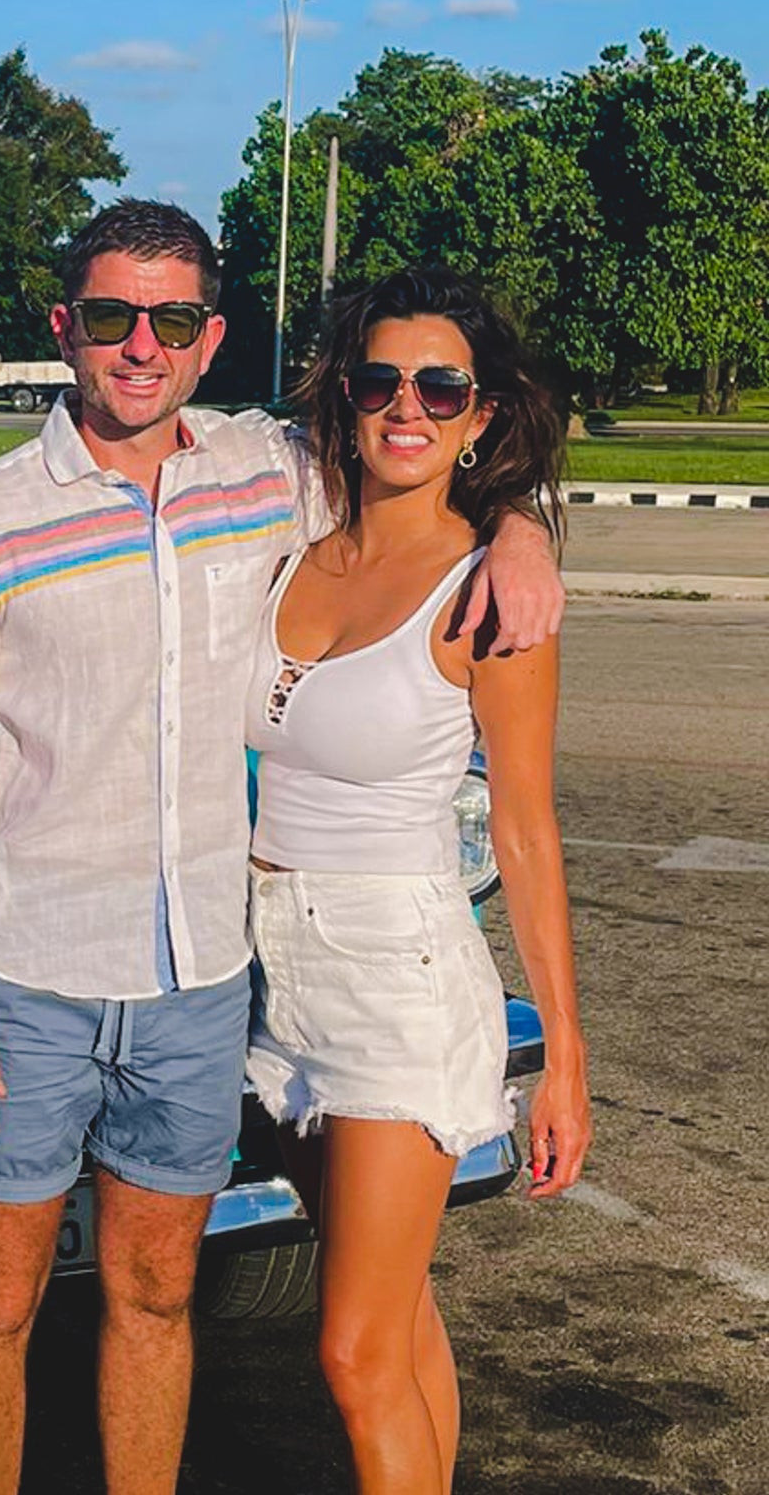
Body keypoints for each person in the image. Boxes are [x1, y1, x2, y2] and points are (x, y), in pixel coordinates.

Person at [0, 200, 562, 1495]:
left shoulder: (269, 473)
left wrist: (523, 525)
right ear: (65, 328)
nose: (141, 346)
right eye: (112, 316)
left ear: (210, 336)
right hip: (25, 974)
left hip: (200, 983)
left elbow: (426, 452)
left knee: (156, 1295)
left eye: (172, 319)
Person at [243, 267, 591, 1494]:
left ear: (480, 415)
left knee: (351, 1352)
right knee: (394, 1321)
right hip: (271, 971)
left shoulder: (489, 595)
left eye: (441, 388)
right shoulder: (289, 548)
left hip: (399, 974)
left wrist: (563, 1055)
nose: (408, 407)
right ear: (341, 397)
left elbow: (526, 832)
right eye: (380, 381)